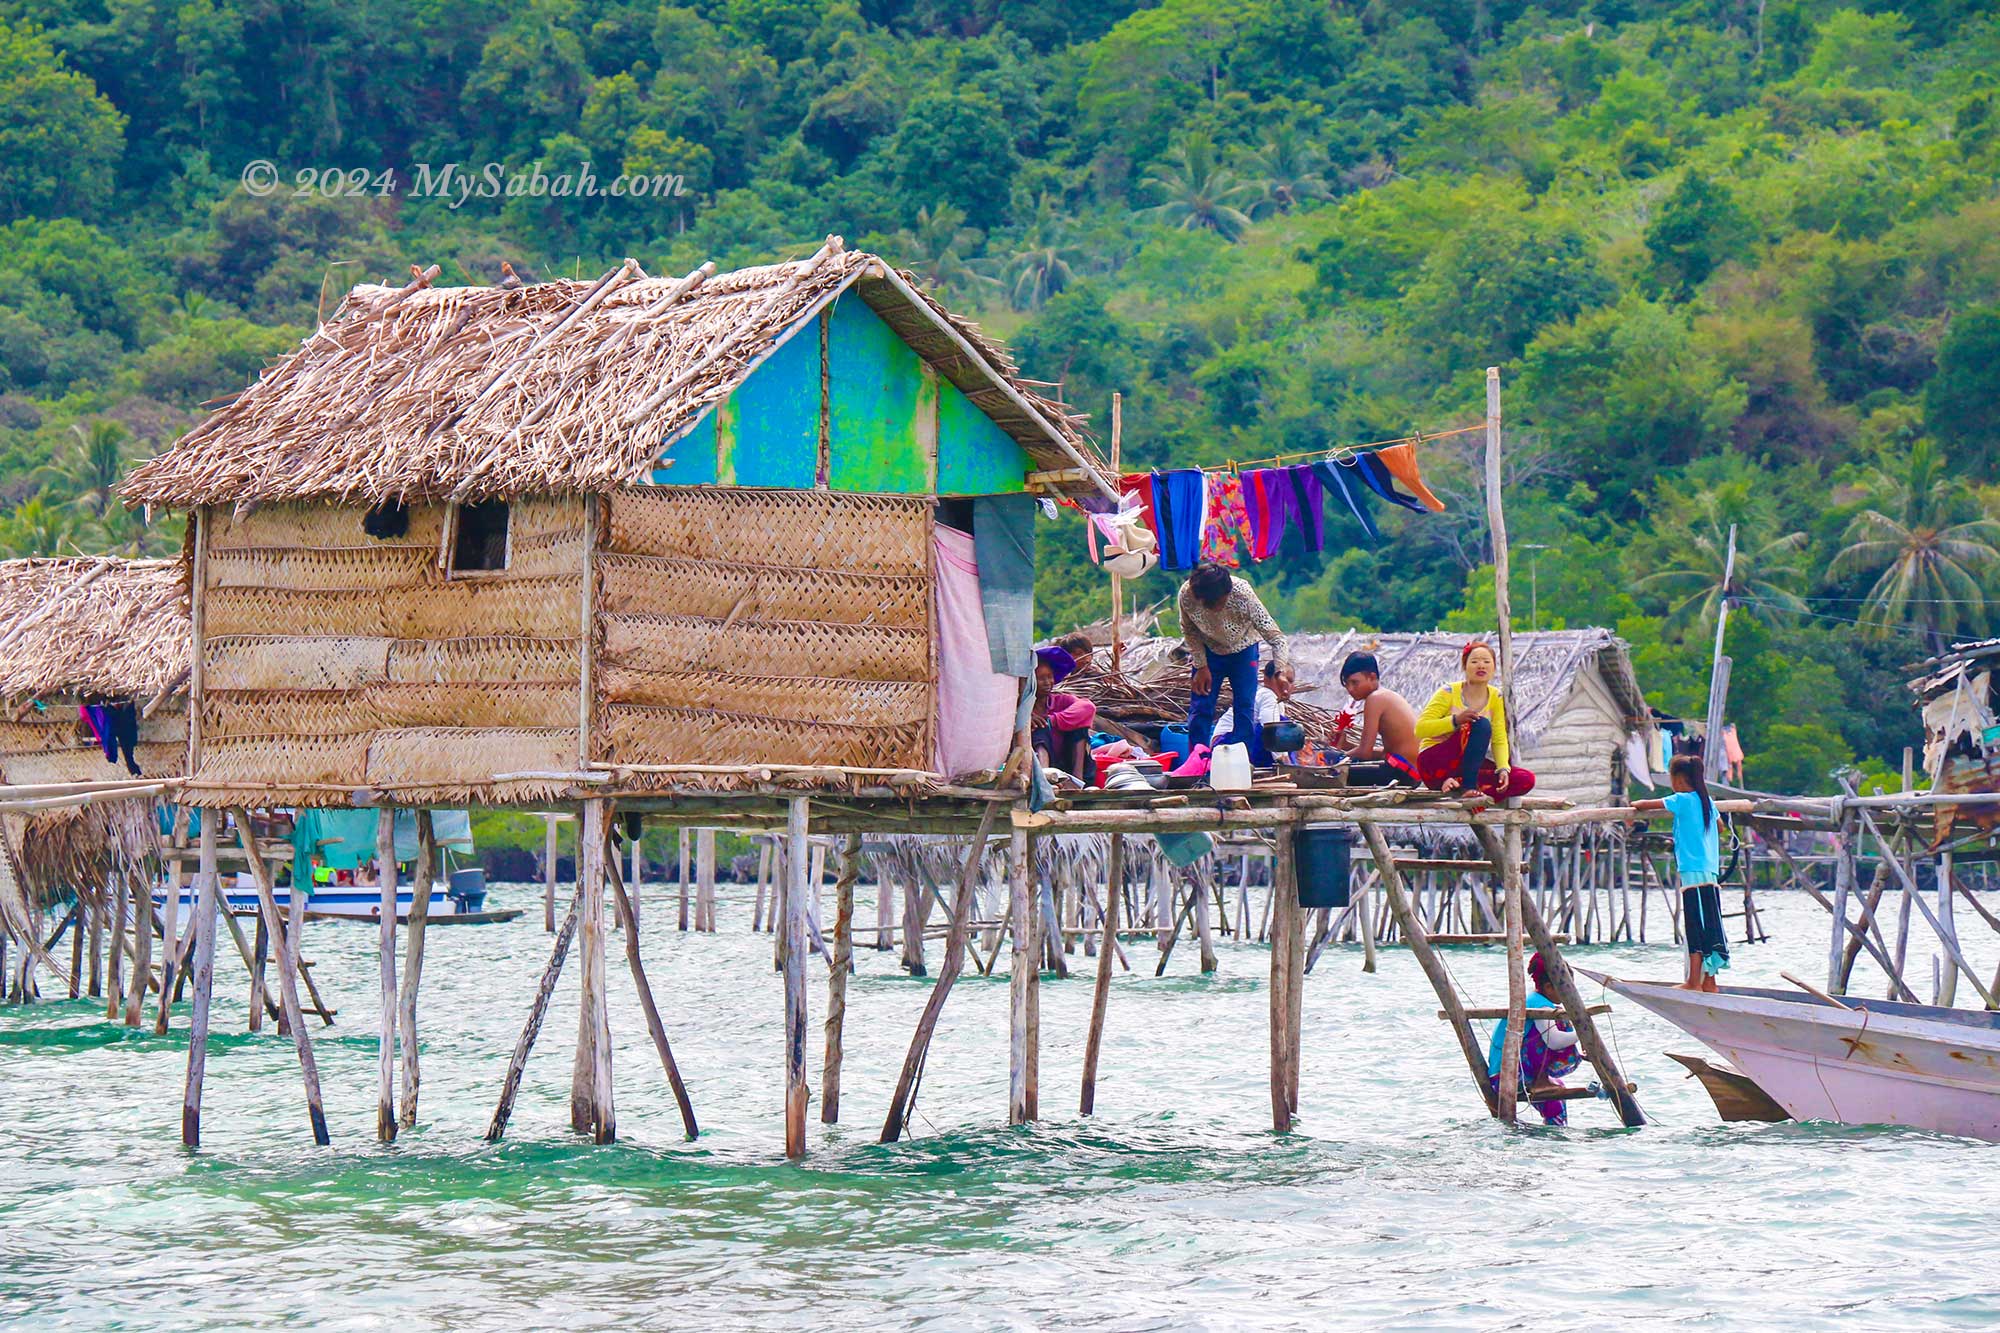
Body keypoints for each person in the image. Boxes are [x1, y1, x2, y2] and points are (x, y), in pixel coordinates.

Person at [1178, 561, 1291, 767]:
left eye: (1214, 602)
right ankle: (1198, 763)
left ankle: (1240, 764)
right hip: (1208, 652)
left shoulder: (1243, 595)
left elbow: (1276, 637)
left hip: (1243, 651)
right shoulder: (1187, 595)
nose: (1209, 607)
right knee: (1201, 707)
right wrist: (1201, 665)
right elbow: (1189, 630)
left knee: (1244, 707)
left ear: (1226, 594)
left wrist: (1280, 671)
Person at [1635, 754, 1729, 991]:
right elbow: (1720, 826)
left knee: (1695, 923)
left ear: (1678, 779)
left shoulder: (1683, 800)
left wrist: (1635, 805)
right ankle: (1710, 980)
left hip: (1692, 870)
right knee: (1711, 922)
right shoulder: (1706, 801)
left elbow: (1645, 805)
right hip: (1709, 869)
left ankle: (1693, 981)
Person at [1414, 642, 1535, 799]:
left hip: (1465, 769)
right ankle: (1467, 787)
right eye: (1475, 661)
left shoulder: (1496, 697)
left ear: (1494, 668)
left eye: (1486, 662)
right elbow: (1420, 729)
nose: (1481, 666)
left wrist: (1503, 768)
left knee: (1525, 779)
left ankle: (1465, 790)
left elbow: (1498, 738)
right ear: (1465, 666)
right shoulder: (1448, 692)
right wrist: (1455, 721)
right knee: (1480, 724)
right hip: (1435, 765)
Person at [1488, 950, 1584, 1126]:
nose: (1570, 992)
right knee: (1563, 1025)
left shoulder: (1532, 999)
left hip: (1502, 1075)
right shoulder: (1540, 1005)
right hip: (1510, 1075)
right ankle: (1554, 1129)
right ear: (1548, 987)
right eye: (1566, 987)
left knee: (1557, 1095)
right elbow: (1554, 1041)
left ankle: (1553, 1134)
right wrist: (1583, 1033)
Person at [1335, 652, 1420, 785]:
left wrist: (1336, 760)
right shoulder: (1386, 696)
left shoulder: (1375, 699)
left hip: (1401, 773)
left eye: (1354, 682)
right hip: (1410, 773)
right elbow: (1387, 751)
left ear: (1372, 677)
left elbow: (1365, 753)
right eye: (1347, 684)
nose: (1350, 689)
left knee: (1337, 774)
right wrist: (1347, 746)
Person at [1031, 645, 1097, 780]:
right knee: (1040, 727)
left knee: (1079, 728)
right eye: (1041, 678)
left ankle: (1077, 781)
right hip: (1034, 766)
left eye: (1050, 677)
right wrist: (1024, 719)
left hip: (1065, 762)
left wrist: (1053, 721)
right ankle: (1045, 778)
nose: (1047, 682)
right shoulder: (1022, 707)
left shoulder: (1060, 701)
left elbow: (1088, 707)